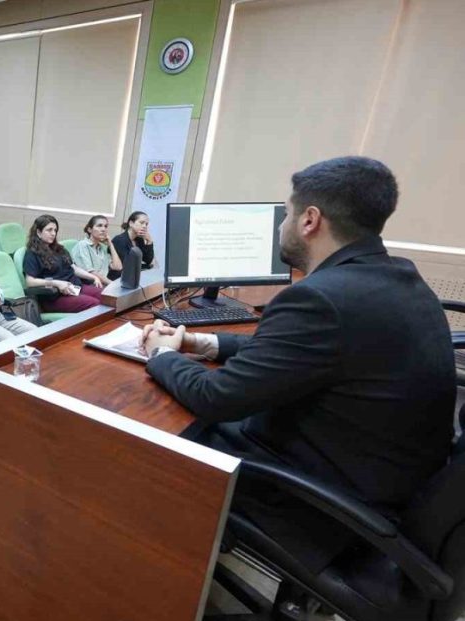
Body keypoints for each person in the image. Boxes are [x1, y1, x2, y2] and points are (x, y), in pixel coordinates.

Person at [142, 156, 456, 573]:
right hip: (387, 482)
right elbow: (298, 356)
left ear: (310, 220)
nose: (280, 225)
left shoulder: (319, 299)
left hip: (328, 503)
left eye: (286, 214)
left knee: (149, 442)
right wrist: (205, 343)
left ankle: (156, 578)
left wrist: (161, 354)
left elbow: (216, 397)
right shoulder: (398, 279)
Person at [22, 215, 104, 313]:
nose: (53, 233)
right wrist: (56, 283)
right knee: (95, 304)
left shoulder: (59, 249)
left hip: (74, 287)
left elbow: (74, 268)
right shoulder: (32, 253)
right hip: (54, 297)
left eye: (55, 230)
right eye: (49, 230)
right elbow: (30, 281)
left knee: (106, 297)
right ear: (39, 233)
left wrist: (93, 277)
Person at [70, 215, 122, 287]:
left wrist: (110, 245)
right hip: (87, 284)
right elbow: (91, 272)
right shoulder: (82, 245)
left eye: (105, 226)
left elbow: (118, 267)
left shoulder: (102, 248)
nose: (103, 229)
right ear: (89, 230)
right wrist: (112, 284)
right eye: (99, 226)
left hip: (102, 284)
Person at [110, 211, 154, 277]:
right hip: (119, 278)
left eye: (146, 224)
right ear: (131, 223)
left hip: (132, 277)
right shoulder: (120, 239)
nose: (144, 226)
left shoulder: (139, 240)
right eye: (141, 223)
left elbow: (148, 260)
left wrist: (149, 241)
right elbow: (126, 265)